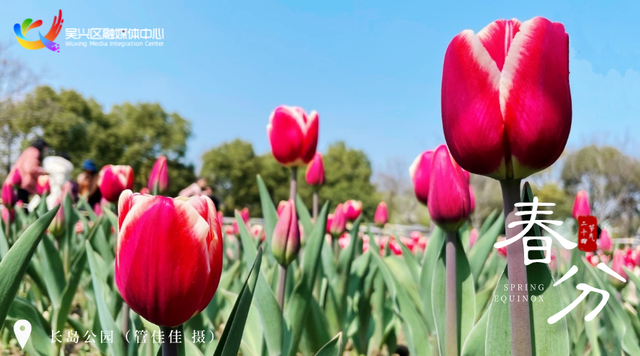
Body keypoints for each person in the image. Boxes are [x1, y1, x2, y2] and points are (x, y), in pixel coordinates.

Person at [6, 138, 48, 205]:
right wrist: (44, 172)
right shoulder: (34, 152)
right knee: (22, 207)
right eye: (44, 149)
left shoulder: (29, 151)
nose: (44, 151)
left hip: (18, 182)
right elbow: (30, 168)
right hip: (21, 183)